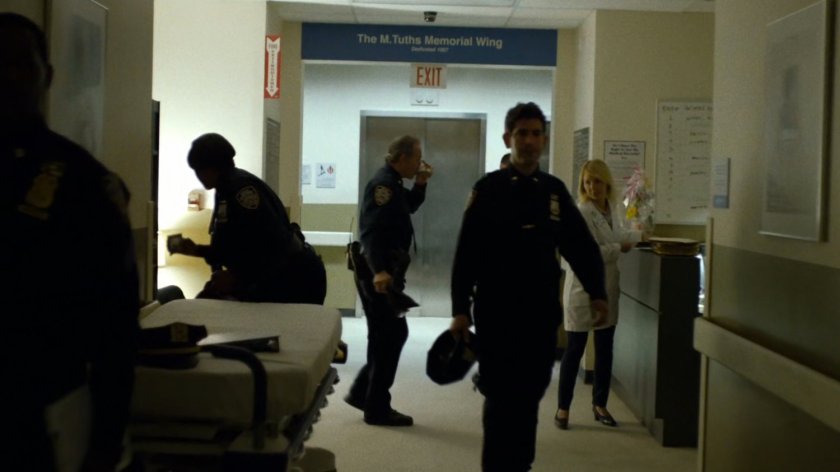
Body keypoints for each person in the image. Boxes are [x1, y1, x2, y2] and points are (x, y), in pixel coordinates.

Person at [1, 13, 140, 471]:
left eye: (22, 63)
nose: (8, 75)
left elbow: (116, 335)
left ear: (49, 75)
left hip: (39, 409)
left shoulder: (83, 184)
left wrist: (104, 446)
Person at [450, 102, 608, 471]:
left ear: (545, 140)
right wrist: (460, 309)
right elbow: (466, 253)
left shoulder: (553, 193)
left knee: (530, 396)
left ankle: (520, 465)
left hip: (538, 317)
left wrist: (598, 292)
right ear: (508, 138)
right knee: (501, 398)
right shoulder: (487, 190)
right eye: (522, 133)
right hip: (496, 314)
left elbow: (580, 245)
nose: (530, 140)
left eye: (537, 133)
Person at [169, 133, 327, 305]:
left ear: (212, 168)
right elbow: (232, 247)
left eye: (199, 170)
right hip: (281, 274)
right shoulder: (227, 187)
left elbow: (271, 245)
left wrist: (237, 278)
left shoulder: (240, 190)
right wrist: (196, 250)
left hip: (295, 279)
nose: (198, 176)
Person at [345, 135, 433, 427]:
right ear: (402, 158)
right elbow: (371, 232)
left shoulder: (394, 184)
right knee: (391, 335)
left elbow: (409, 206)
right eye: (417, 157)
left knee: (385, 336)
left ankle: (364, 393)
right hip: (378, 275)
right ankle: (376, 406)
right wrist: (380, 270)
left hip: (384, 273)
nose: (420, 162)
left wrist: (420, 183)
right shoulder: (383, 185)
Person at [555, 159, 645, 430]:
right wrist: (621, 247)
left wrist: (641, 233)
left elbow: (619, 234)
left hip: (607, 288)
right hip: (581, 292)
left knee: (605, 351)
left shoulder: (612, 210)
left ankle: (599, 404)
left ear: (606, 183)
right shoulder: (580, 212)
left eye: (596, 181)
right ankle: (562, 409)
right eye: (587, 182)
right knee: (575, 350)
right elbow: (589, 254)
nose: (592, 187)